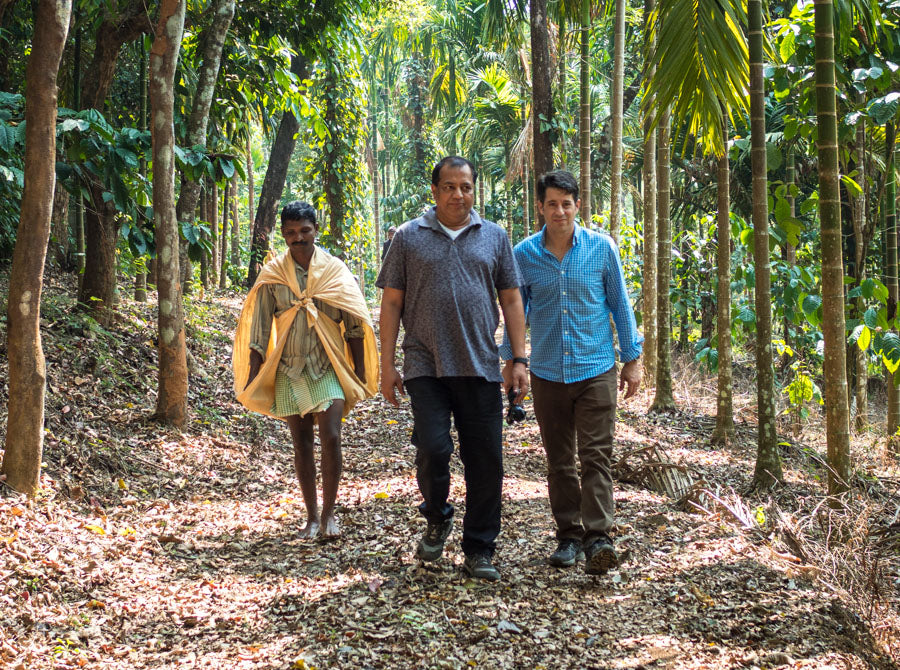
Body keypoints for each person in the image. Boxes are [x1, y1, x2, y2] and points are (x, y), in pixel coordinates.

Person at [377, 156, 529, 581]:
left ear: (473, 189)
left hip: (481, 364)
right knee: (433, 447)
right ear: (434, 191)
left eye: (465, 186)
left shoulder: (495, 237)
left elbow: (512, 300)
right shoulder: (408, 238)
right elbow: (391, 302)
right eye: (449, 186)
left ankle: (480, 548)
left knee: (486, 461)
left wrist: (519, 359)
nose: (458, 195)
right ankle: (437, 514)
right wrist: (386, 365)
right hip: (424, 361)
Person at [500, 170, 643, 575]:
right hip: (547, 373)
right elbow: (515, 312)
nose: (559, 210)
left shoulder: (601, 248)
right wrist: (513, 361)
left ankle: (598, 537)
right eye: (551, 204)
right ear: (540, 208)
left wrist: (631, 358)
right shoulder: (524, 254)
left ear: (578, 205)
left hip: (596, 368)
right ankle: (568, 536)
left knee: (596, 456)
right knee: (559, 460)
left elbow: (620, 303)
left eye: (567, 203)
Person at [232, 201, 378, 539]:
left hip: (328, 367)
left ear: (316, 230)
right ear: (283, 235)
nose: (299, 238)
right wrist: (253, 377)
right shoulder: (273, 275)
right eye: (291, 233)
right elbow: (258, 331)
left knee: (331, 436)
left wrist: (356, 371)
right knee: (301, 444)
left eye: (305, 231)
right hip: (289, 368)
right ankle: (311, 517)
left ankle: (330, 514)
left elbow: (355, 323)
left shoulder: (335, 271)